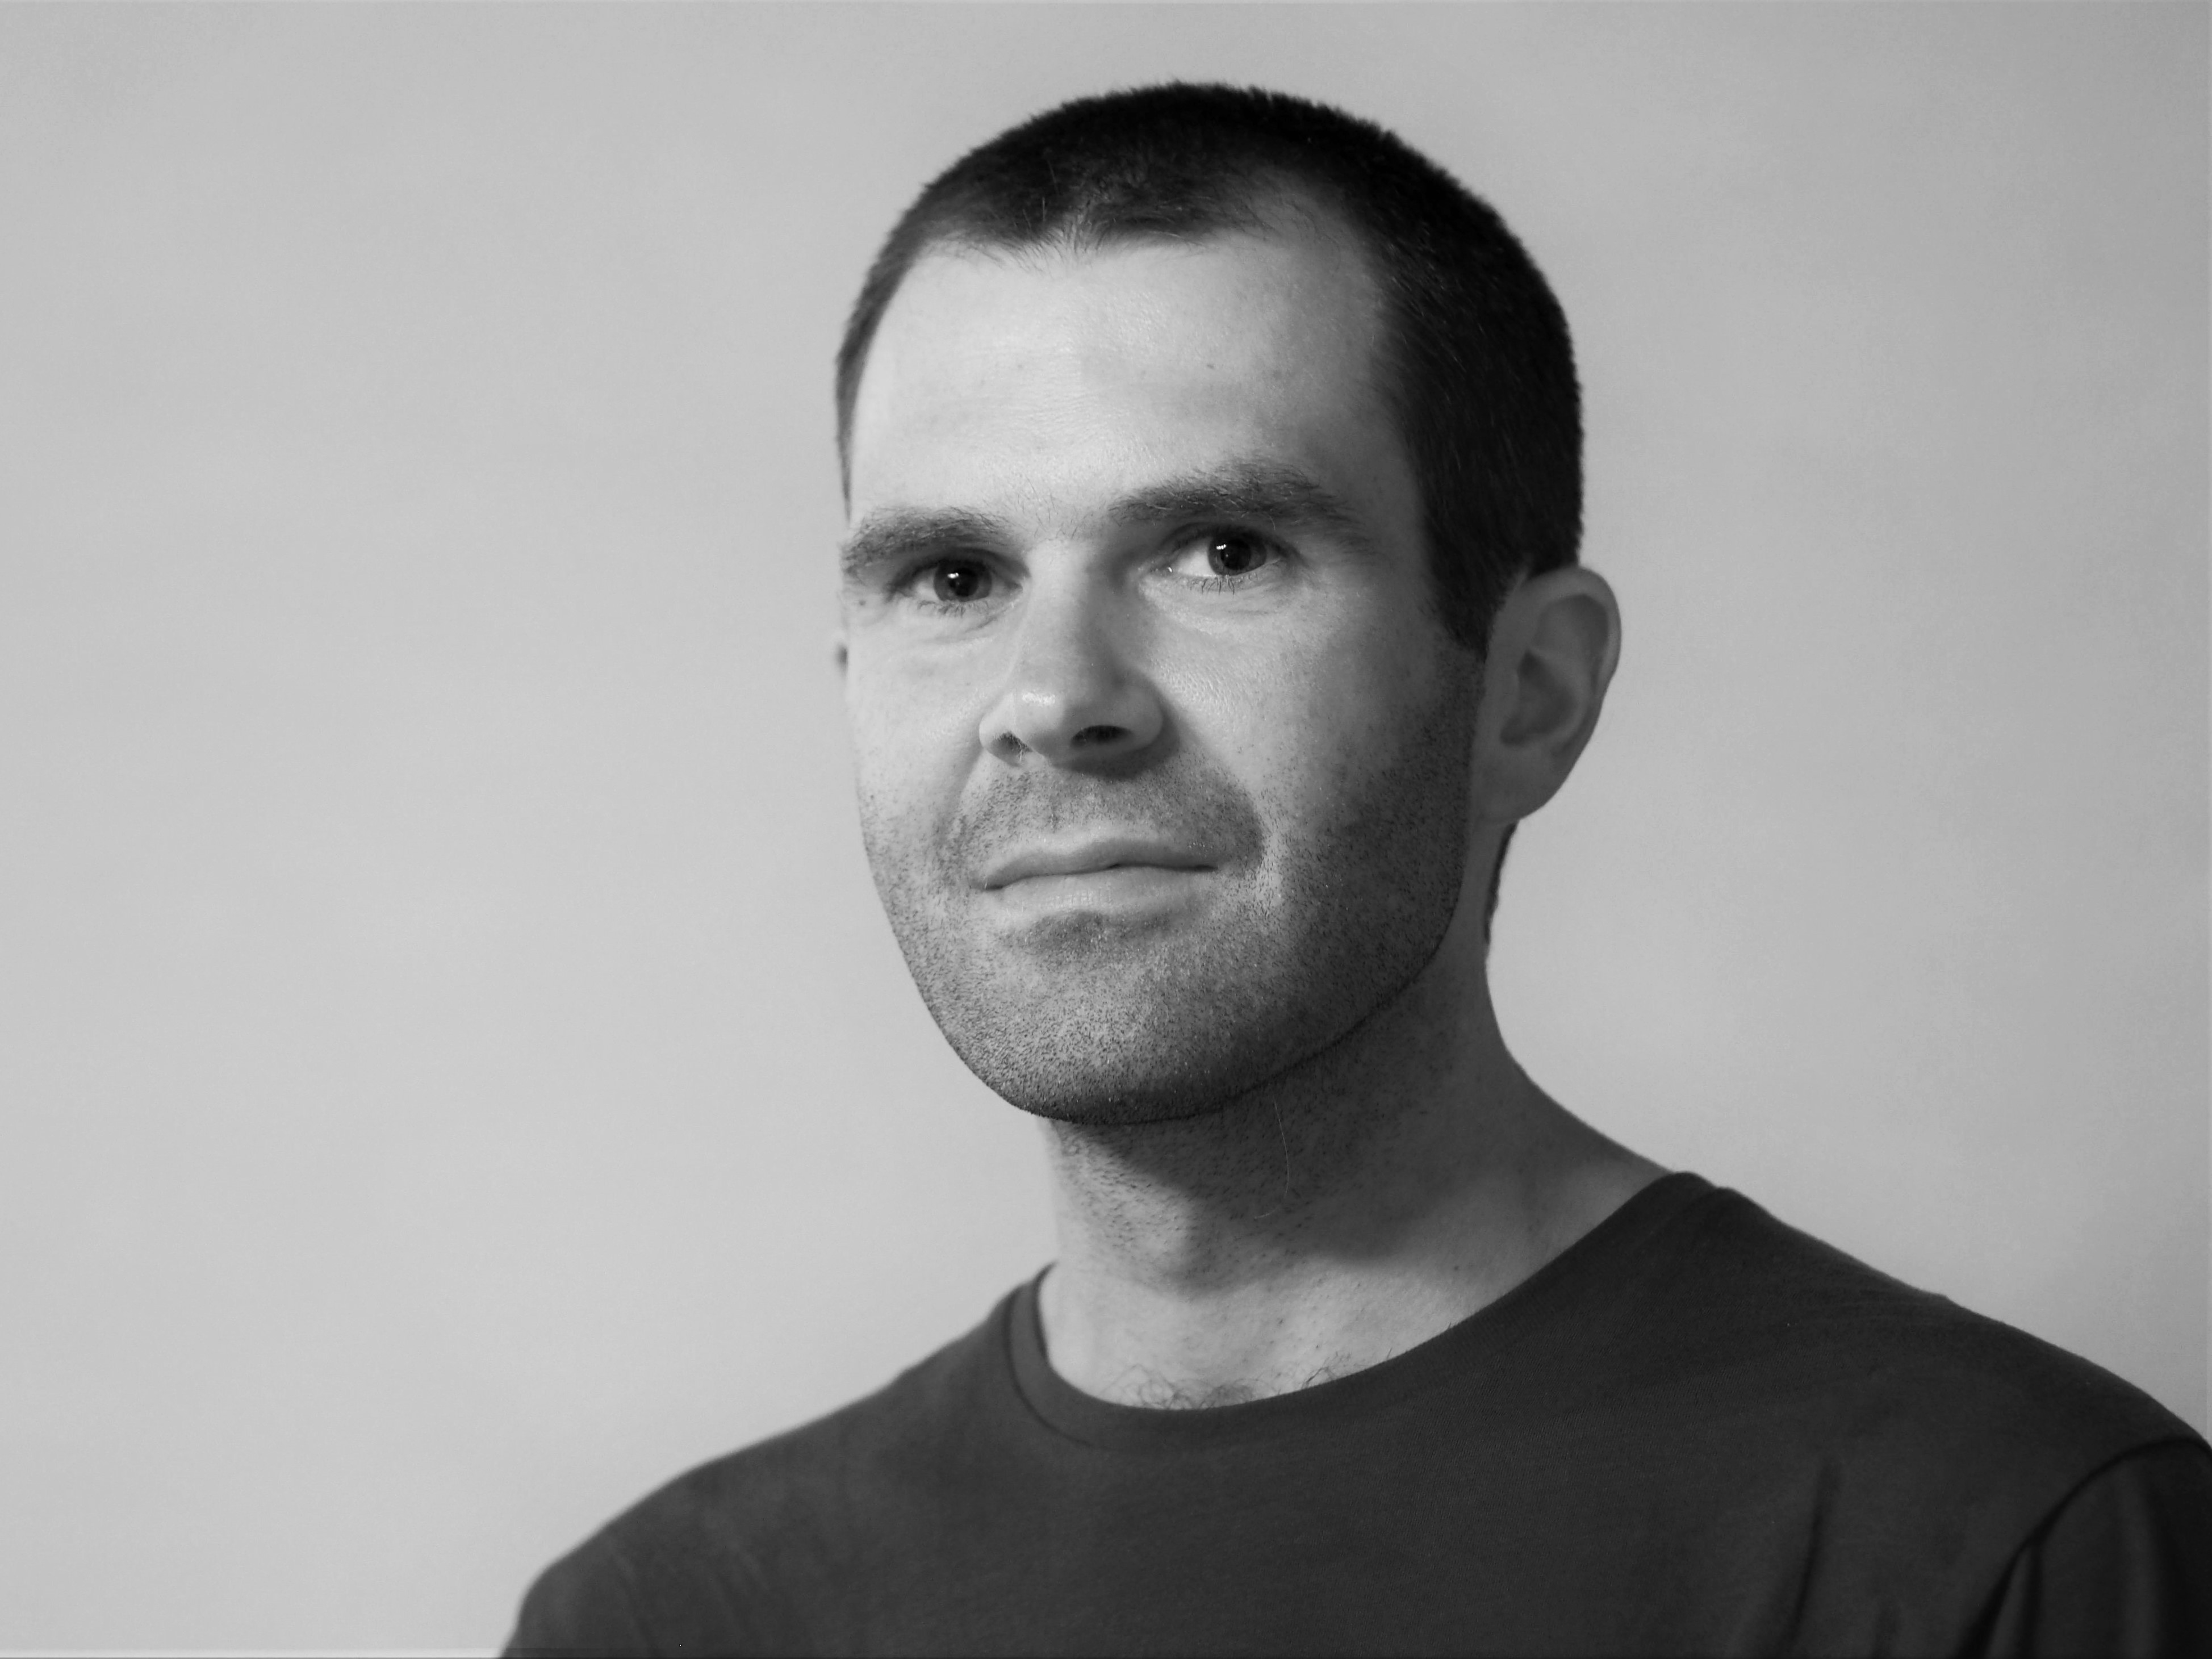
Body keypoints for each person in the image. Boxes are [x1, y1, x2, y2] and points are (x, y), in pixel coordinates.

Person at [507, 83, 2210, 1656]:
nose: (1052, 696)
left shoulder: (2005, 1550)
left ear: (1530, 691)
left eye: (1223, 550)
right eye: (953, 577)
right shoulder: (662, 1626)